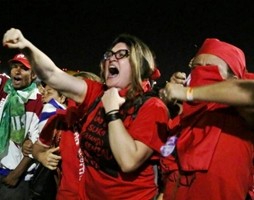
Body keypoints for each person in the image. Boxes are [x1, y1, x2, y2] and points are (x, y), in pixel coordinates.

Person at [3, 28, 169, 200]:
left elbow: (128, 161)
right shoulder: (97, 93)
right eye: (109, 54)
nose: (112, 58)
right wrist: (26, 46)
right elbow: (53, 75)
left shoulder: (153, 107)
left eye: (121, 54)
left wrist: (112, 112)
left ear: (138, 64)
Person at [159, 38, 254, 200]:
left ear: (234, 79)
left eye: (210, 69)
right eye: (195, 67)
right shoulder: (182, 121)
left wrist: (187, 93)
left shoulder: (238, 114)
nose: (200, 73)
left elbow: (249, 92)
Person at [33, 71, 102, 200]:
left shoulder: (107, 124)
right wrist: (41, 156)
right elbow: (37, 146)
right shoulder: (58, 120)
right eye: (71, 91)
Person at [0, 53, 43, 200]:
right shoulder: (5, 90)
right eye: (14, 67)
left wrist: (16, 174)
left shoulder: (37, 100)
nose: (17, 71)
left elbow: (36, 144)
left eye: (24, 68)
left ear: (33, 75)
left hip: (13, 177)